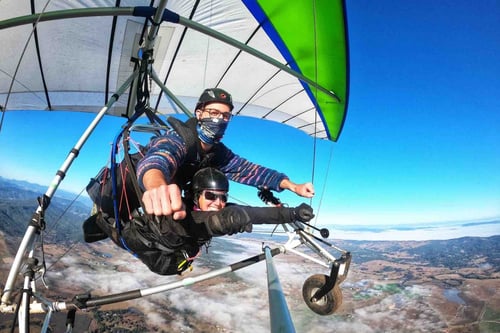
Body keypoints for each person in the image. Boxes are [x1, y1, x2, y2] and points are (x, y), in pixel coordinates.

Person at [84, 167, 314, 275]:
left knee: (176, 262)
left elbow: (255, 213)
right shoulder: (186, 214)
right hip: (150, 247)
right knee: (106, 224)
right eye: (211, 196)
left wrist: (294, 212)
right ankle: (102, 218)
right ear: (196, 197)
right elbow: (218, 220)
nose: (218, 202)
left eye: (223, 197)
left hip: (177, 255)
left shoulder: (215, 209)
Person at [136, 87, 315, 220]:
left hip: (168, 201)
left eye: (226, 116)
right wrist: (157, 185)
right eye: (213, 113)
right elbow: (160, 158)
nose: (220, 119)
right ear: (199, 114)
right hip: (139, 187)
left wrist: (293, 186)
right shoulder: (180, 138)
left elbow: (253, 172)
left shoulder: (217, 154)